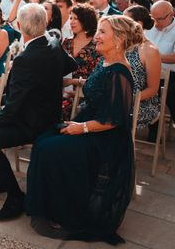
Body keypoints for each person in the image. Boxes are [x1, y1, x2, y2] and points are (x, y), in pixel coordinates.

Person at [26, 16, 139, 244]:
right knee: (42, 141)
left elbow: (115, 120)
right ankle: (46, 206)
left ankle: (65, 212)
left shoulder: (121, 73)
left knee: (52, 151)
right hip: (88, 124)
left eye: (102, 32)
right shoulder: (105, 61)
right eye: (98, 31)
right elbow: (96, 84)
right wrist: (74, 83)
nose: (96, 36)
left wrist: (82, 128)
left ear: (119, 39)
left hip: (104, 137)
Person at [0, 4, 77, 221]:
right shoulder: (53, 41)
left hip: (34, 121)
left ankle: (16, 196)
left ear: (18, 26)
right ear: (44, 24)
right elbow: (69, 65)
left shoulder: (25, 59)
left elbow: (13, 105)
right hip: (34, 109)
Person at [124, 5, 161, 131]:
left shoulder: (150, 50)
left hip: (141, 103)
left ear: (138, 24)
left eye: (125, 20)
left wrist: (127, 99)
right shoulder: (121, 45)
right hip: (118, 98)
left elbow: (153, 89)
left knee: (109, 114)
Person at [61, 4, 101, 118]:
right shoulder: (66, 42)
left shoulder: (96, 46)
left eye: (76, 19)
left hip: (86, 95)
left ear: (86, 20)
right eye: (71, 18)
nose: (72, 22)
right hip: (63, 92)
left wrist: (74, 82)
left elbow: (97, 77)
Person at [145, 0, 175, 131]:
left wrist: (154, 56)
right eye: (153, 18)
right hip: (147, 73)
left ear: (171, 14)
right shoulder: (150, 27)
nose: (156, 22)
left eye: (160, 19)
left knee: (171, 95)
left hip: (171, 75)